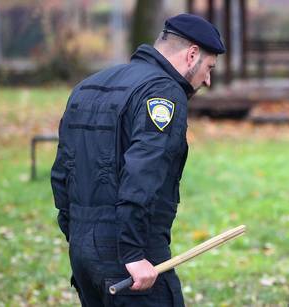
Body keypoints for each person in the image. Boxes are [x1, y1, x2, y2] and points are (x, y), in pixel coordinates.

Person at [51, 13, 225, 307]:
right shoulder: (163, 93)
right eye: (209, 67)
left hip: (82, 250)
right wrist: (132, 253)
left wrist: (78, 235)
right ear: (192, 54)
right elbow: (142, 174)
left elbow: (61, 173)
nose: (208, 80)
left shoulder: (89, 86)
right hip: (130, 257)